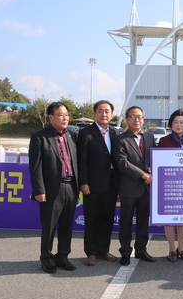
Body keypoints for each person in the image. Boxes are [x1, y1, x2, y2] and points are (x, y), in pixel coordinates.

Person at [28, 101, 79, 273]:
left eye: (66, 115)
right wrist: (39, 190)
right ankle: (46, 258)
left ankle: (63, 256)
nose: (64, 118)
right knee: (49, 226)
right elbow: (35, 167)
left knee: (67, 225)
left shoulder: (71, 136)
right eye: (60, 115)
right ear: (51, 117)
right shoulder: (39, 137)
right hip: (50, 190)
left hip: (71, 187)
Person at [77, 100, 119, 266]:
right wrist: (84, 182)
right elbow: (81, 161)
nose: (104, 114)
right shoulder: (86, 133)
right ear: (95, 113)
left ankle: (103, 250)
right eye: (100, 111)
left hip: (111, 184)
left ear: (112, 114)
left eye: (107, 111)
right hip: (92, 185)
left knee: (107, 218)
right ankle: (91, 252)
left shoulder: (116, 133)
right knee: (92, 218)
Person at [114, 106, 157, 266]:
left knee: (142, 222)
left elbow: (153, 157)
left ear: (143, 119)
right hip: (128, 188)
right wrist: (142, 174)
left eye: (139, 116)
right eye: (133, 116)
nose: (136, 119)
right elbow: (121, 162)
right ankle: (125, 252)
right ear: (126, 119)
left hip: (146, 188)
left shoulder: (150, 137)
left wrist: (153, 168)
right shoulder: (120, 139)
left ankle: (141, 250)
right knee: (125, 222)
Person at [158, 109, 183, 262]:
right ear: (171, 124)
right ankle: (171, 249)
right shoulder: (164, 141)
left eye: (181, 122)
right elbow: (158, 162)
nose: (178, 125)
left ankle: (181, 248)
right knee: (170, 218)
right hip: (170, 184)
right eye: (175, 122)